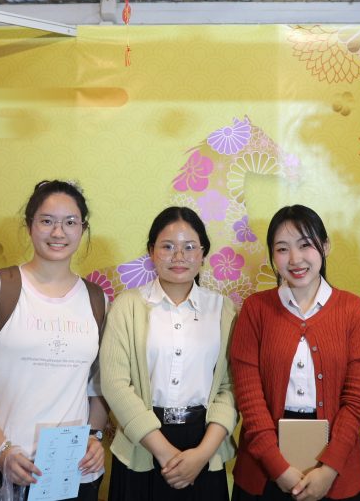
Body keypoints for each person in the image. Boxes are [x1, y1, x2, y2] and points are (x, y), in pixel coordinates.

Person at [0, 180, 108, 500]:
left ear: (82, 229)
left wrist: (94, 436)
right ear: (30, 225)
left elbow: (98, 386)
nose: (58, 232)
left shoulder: (96, 300)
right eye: (47, 221)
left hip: (68, 471)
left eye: (70, 222)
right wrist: (2, 450)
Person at [230, 205, 360, 501]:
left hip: (335, 471)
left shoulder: (354, 310)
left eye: (305, 245)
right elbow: (249, 397)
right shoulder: (255, 309)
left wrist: (329, 468)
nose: (295, 259)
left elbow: (357, 400)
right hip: (263, 470)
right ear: (273, 256)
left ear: (325, 246)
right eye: (282, 249)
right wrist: (277, 467)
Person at [100, 206, 237, 500]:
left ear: (203, 253)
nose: (179, 256)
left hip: (204, 444)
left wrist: (202, 454)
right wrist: (165, 453)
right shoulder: (127, 306)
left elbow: (230, 387)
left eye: (189, 247)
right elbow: (114, 384)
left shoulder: (223, 310)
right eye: (167, 246)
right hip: (142, 444)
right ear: (152, 251)